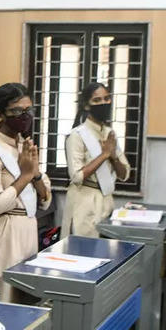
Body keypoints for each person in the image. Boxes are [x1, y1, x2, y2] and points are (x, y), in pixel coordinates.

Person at [0, 83, 51, 302]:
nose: (25, 116)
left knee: (26, 300)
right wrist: (26, 176)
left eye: (29, 110)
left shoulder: (24, 146)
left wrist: (34, 176)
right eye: (18, 111)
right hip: (3, 233)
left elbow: (45, 199)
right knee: (3, 299)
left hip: (27, 230)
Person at [61, 82, 132, 237]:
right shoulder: (77, 135)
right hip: (84, 201)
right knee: (82, 250)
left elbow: (124, 174)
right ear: (87, 106)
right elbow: (77, 176)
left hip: (106, 200)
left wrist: (113, 157)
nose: (104, 103)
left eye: (107, 99)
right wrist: (104, 155)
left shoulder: (109, 133)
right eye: (97, 100)